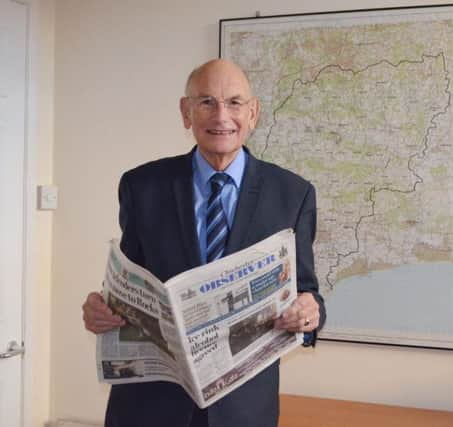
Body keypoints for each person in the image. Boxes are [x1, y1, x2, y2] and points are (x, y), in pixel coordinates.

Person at [82, 58, 326, 427]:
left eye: (234, 102)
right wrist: (102, 308)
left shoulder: (293, 193)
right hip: (151, 405)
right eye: (207, 102)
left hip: (242, 409)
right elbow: (128, 282)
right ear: (186, 112)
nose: (221, 116)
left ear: (253, 112)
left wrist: (309, 312)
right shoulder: (142, 185)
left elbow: (306, 289)